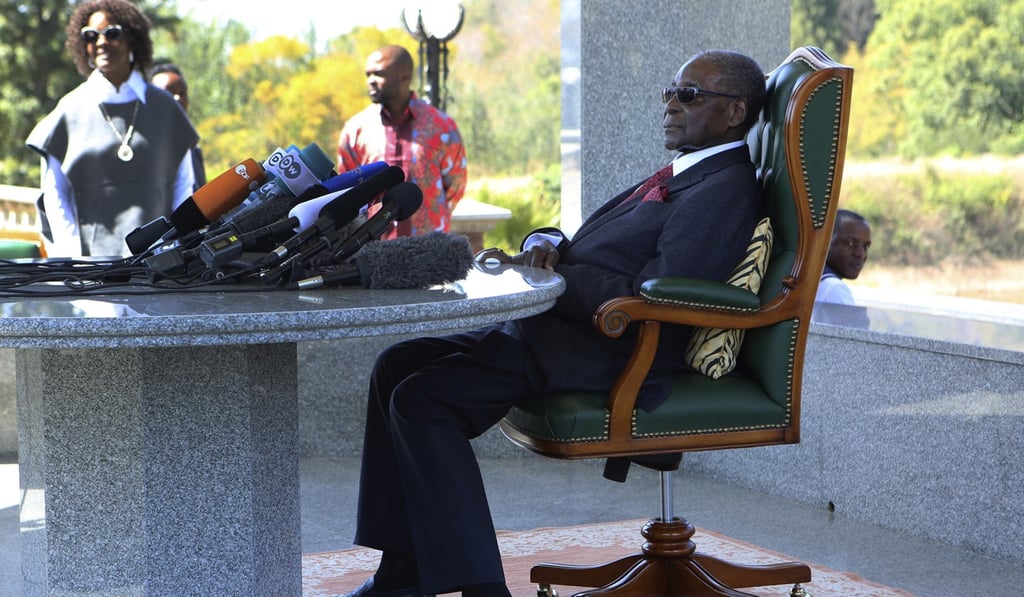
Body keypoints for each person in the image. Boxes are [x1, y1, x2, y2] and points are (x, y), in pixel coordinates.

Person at [343, 49, 767, 597]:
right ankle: (402, 573)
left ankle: (481, 587)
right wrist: (543, 241)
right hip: (559, 328)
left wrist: (561, 272)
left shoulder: (724, 189)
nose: (671, 106)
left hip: (603, 349)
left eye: (689, 95)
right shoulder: (686, 170)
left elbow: (655, 294)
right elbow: (595, 244)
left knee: (421, 400)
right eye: (670, 92)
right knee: (395, 364)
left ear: (735, 112)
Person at [25, 0, 199, 258]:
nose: (101, 42)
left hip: (158, 264)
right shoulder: (68, 109)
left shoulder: (165, 107)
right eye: (91, 36)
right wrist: (75, 260)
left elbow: (184, 186)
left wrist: (171, 248)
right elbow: (55, 195)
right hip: (91, 271)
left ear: (133, 39)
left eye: (112, 33)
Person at [337, 45, 467, 239]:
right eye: (368, 75)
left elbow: (455, 185)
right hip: (374, 250)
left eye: (379, 74)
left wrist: (427, 218)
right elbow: (347, 190)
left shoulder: (442, 126)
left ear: (404, 76)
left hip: (430, 249)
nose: (371, 81)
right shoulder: (355, 130)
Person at [150, 61, 207, 188]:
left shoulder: (192, 148)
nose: (177, 98)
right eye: (168, 93)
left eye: (182, 93)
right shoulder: (143, 149)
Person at [816, 209, 872, 305]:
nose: (861, 254)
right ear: (825, 241)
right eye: (850, 243)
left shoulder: (813, 278)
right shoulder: (833, 287)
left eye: (865, 246)